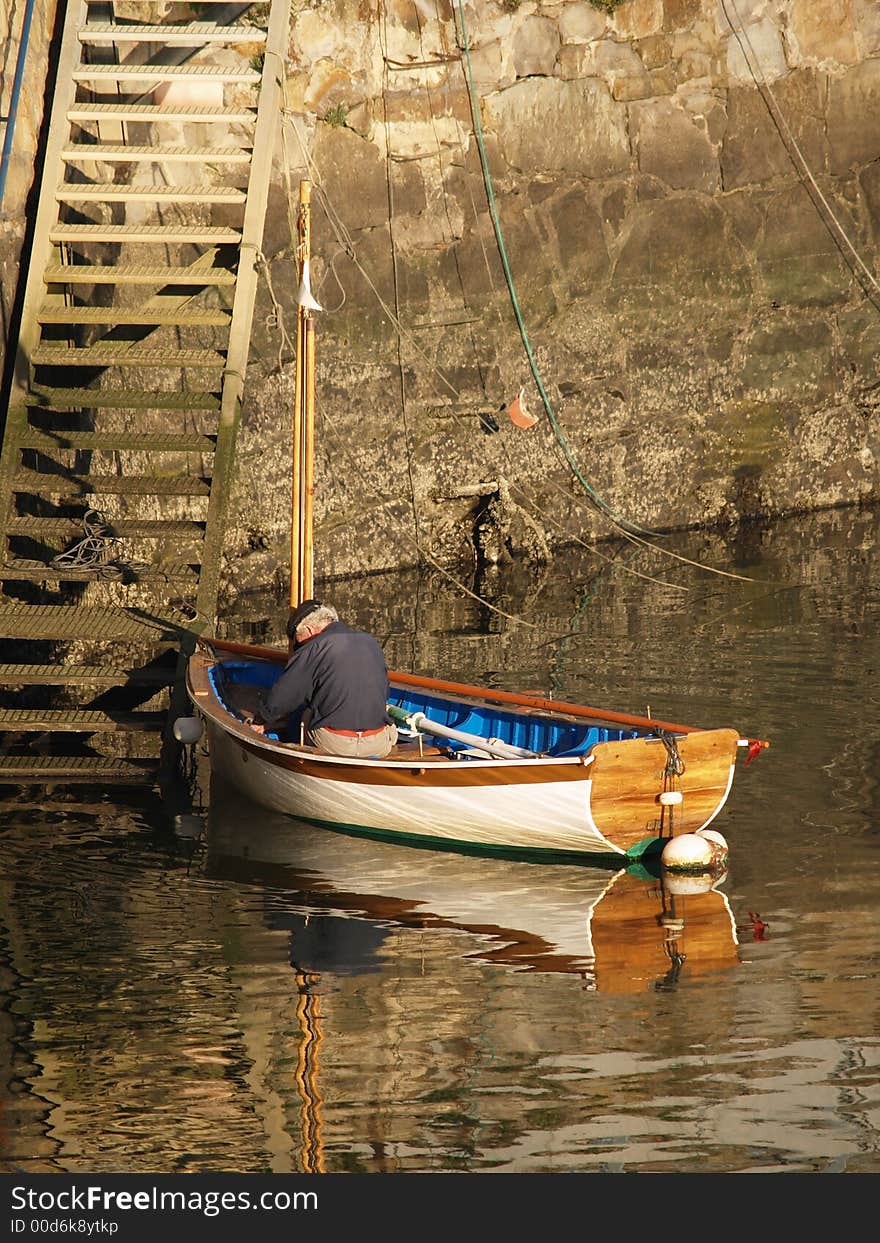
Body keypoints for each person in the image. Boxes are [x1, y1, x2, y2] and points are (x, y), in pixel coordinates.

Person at [249, 599, 398, 758]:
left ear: (308, 629)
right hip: (378, 743)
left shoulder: (314, 647)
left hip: (336, 745)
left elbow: (282, 697)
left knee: (302, 714)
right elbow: (385, 692)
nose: (299, 648)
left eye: (298, 642)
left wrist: (261, 720)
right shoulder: (370, 642)